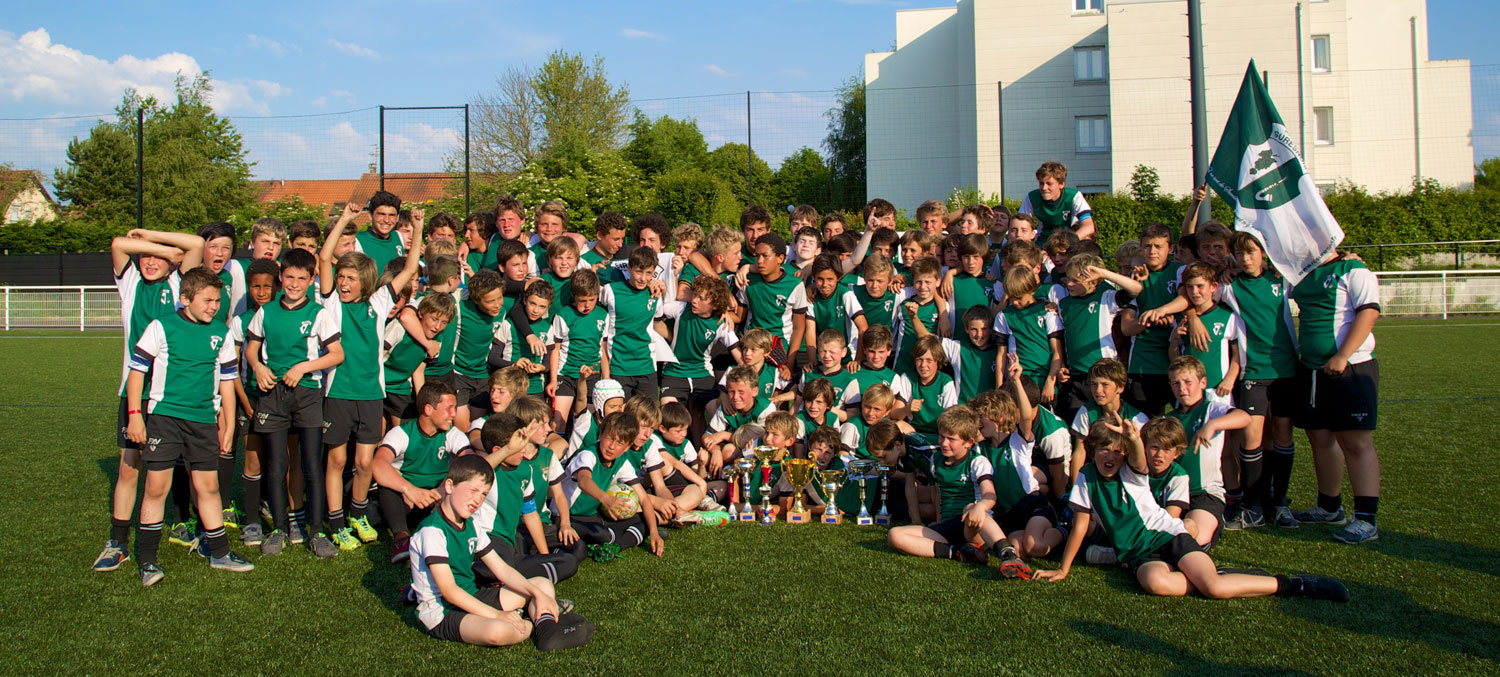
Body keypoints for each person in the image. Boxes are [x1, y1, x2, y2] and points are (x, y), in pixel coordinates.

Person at [1034, 418, 1349, 604]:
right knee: (1158, 584)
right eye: (1104, 449)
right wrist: (1063, 569)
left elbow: (1140, 460)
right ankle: (1214, 574)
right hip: (1138, 556)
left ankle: (1294, 584)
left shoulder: (1133, 471)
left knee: (1213, 590)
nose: (1111, 456)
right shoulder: (1087, 477)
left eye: (1118, 451)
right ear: (1092, 450)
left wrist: (1133, 438)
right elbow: (1079, 526)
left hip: (1168, 538)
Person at [124, 268, 252, 586]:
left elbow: (227, 382)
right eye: (207, 300)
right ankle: (149, 562)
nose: (213, 306)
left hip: (203, 421)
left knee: (208, 488)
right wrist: (136, 415)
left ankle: (220, 554)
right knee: (156, 488)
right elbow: (137, 373)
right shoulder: (161, 327)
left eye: (217, 301)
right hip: (165, 419)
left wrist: (226, 425)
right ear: (185, 299)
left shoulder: (220, 334)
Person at [93, 228, 204, 572]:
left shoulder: (177, 285)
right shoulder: (129, 284)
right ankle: (118, 542)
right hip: (135, 393)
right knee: (129, 467)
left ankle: (197, 530)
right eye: (145, 256)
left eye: (160, 257)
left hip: (174, 395)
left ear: (173, 263)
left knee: (193, 467)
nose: (151, 262)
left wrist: (160, 246)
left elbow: (196, 245)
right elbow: (117, 244)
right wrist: (157, 248)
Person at [407, 454, 594, 649]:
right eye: (473, 490)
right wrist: (496, 614)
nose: (477, 500)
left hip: (473, 595)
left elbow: (502, 570)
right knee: (497, 632)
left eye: (483, 494)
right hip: (443, 611)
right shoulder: (432, 531)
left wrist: (536, 594)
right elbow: (450, 592)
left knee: (542, 584)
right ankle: (535, 624)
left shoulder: (471, 524)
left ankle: (546, 630)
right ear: (449, 486)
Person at [320, 201, 424, 549]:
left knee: (365, 462)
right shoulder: (332, 302)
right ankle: (335, 521)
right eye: (341, 277)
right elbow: (324, 259)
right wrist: (347, 220)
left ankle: (358, 514)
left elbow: (410, 268)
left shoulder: (378, 303)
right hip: (338, 394)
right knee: (337, 459)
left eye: (351, 278)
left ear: (364, 281)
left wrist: (418, 227)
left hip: (370, 395)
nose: (344, 282)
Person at [244, 248, 343, 557]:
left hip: (308, 395)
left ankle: (315, 531)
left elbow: (337, 354)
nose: (295, 284)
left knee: (312, 464)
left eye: (302, 278)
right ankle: (278, 529)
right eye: (289, 277)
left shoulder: (318, 313)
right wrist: (258, 366)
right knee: (276, 464)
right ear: (280, 278)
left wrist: (303, 367)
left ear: (311, 279)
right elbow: (251, 348)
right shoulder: (267, 312)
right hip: (273, 394)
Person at [1286, 251, 1383, 544]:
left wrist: (1343, 355)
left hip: (1351, 368)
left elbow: (1369, 311)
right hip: (1311, 369)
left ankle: (1366, 519)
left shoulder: (1353, 269)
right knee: (1320, 438)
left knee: (1355, 442)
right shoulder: (1300, 273)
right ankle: (1329, 507)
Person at [887, 406, 1032, 578]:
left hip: (973, 526)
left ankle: (1008, 555)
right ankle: (957, 552)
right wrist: (938, 521)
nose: (943, 443)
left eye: (951, 439)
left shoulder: (977, 462)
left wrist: (980, 507)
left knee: (970, 507)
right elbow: (938, 492)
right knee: (895, 535)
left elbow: (990, 495)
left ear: (969, 442)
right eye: (941, 436)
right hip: (949, 528)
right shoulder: (936, 459)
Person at [1222, 232, 1300, 529]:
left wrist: (1348, 257)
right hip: (1252, 372)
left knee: (1282, 434)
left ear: (1264, 253)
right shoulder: (1230, 286)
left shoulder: (1281, 281)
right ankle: (1252, 506)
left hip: (1286, 371)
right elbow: (1197, 295)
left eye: (1251, 252)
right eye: (1239, 253)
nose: (1245, 259)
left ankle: (1279, 503)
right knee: (1251, 438)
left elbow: (1310, 275)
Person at [468, 412, 579, 586]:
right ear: (500, 450)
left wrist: (544, 556)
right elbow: (476, 470)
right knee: (501, 565)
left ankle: (504, 580)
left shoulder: (525, 470)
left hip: (508, 541)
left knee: (568, 562)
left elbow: (531, 514)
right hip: (486, 538)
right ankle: (481, 576)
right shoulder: (484, 469)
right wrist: (508, 450)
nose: (525, 449)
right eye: (519, 445)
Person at [374, 382, 473, 564]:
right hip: (405, 501)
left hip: (435, 500)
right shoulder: (401, 433)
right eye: (449, 408)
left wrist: (442, 490)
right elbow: (378, 465)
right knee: (387, 487)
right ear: (428, 409)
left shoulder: (453, 434)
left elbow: (470, 462)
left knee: (465, 481)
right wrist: (409, 490)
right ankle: (401, 539)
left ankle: (452, 535)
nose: (454, 414)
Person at [1164, 356, 1250, 547]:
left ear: (1203, 382)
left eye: (1188, 382)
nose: (1182, 388)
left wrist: (1212, 425)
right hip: (1172, 494)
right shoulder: (1168, 419)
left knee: (1196, 539)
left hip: (1205, 494)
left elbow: (1244, 417)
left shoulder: (1210, 410)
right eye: (1176, 383)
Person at [560, 412, 666, 557]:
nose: (612, 446)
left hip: (592, 516)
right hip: (568, 516)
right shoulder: (588, 455)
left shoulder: (621, 462)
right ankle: (610, 541)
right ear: (601, 434)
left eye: (620, 443)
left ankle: (615, 547)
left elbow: (643, 499)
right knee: (602, 534)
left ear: (628, 447)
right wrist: (606, 499)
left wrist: (654, 533)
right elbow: (584, 481)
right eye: (610, 438)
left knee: (645, 519)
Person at [1055, 255, 1143, 420]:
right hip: (1077, 377)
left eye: (1076, 280)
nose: (1070, 284)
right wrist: (1062, 366)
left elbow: (1136, 289)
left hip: (1104, 373)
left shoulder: (1106, 298)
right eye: (1068, 279)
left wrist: (1103, 273)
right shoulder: (1063, 304)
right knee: (1077, 425)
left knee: (1106, 422)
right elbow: (1064, 340)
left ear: (1094, 281)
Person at [659, 274, 739, 443]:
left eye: (702, 298)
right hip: (674, 371)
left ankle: (721, 455)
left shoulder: (721, 324)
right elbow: (656, 312)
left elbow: (742, 359)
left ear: (715, 304)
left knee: (720, 413)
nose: (694, 300)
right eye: (695, 295)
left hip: (702, 374)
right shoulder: (681, 308)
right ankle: (671, 459)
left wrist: (724, 391)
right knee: (669, 416)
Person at [1167, 263, 1244, 406]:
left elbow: (1237, 355)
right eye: (1190, 287)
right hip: (1189, 391)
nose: (1195, 292)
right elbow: (1175, 360)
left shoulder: (1227, 316)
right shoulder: (1182, 318)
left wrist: (1229, 380)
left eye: (1200, 286)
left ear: (1213, 287)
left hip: (1218, 389)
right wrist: (1175, 339)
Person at [599, 247, 667, 398]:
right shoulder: (610, 291)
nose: (643, 278)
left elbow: (658, 324)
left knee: (649, 419)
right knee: (621, 420)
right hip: (618, 367)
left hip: (646, 367)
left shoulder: (655, 295)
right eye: (638, 272)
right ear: (629, 268)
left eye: (648, 273)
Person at [382, 291, 457, 426]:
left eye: (444, 322)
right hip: (379, 382)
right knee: (376, 431)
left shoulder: (437, 338)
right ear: (421, 314)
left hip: (400, 387)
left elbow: (418, 370)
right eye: (434, 319)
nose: (438, 326)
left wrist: (422, 400)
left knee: (404, 427)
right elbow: (378, 355)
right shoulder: (399, 328)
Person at [994, 266, 1063, 403]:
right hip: (1017, 380)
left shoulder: (1047, 312)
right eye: (1011, 298)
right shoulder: (1004, 316)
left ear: (1032, 290)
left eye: (1019, 298)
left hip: (1043, 381)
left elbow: (1057, 352)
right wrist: (999, 388)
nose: (1014, 302)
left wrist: (1051, 382)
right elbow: (1001, 355)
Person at [549, 268, 607, 432]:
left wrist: (606, 378)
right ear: (574, 295)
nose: (587, 304)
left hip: (592, 377)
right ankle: (558, 454)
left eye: (591, 299)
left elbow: (603, 349)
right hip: (566, 375)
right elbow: (556, 349)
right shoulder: (563, 315)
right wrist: (553, 379)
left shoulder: (603, 315)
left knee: (585, 424)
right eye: (582, 300)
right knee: (558, 421)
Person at [738, 233, 809, 364]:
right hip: (750, 345)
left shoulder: (794, 285)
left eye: (765, 256)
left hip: (778, 346)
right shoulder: (747, 281)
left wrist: (790, 362)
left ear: (780, 258)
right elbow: (739, 317)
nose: (759, 261)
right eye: (757, 255)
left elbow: (799, 327)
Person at [702, 366, 775, 475]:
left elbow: (762, 441)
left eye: (741, 392)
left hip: (759, 453)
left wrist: (726, 435)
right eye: (731, 392)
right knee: (706, 456)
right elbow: (706, 436)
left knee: (729, 452)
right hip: (737, 448)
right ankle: (722, 476)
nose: (735, 397)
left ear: (755, 391)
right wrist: (716, 451)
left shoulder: (766, 409)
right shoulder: (727, 408)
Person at [494, 280, 554, 396]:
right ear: (525, 300)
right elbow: (493, 358)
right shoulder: (508, 324)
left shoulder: (548, 329)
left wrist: (542, 368)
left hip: (535, 389)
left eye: (542, 306)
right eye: (532, 304)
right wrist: (514, 365)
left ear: (548, 307)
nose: (536, 310)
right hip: (509, 387)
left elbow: (548, 361)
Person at [892, 258, 948, 377]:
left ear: (938, 282)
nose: (923, 287)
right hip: (903, 369)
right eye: (918, 282)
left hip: (930, 371)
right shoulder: (902, 305)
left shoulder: (944, 309)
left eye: (928, 282)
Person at [1018, 161, 1095, 241]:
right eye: (1041, 183)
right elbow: (1020, 225)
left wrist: (1068, 243)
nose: (1044, 188)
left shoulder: (1074, 196)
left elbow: (1088, 226)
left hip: (1068, 243)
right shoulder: (1032, 197)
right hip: (1043, 243)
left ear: (1061, 184)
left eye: (1049, 184)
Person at [355, 190, 406, 273]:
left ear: (397, 218)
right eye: (381, 214)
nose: (386, 220)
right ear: (370, 215)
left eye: (391, 215)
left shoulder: (398, 237)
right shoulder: (358, 240)